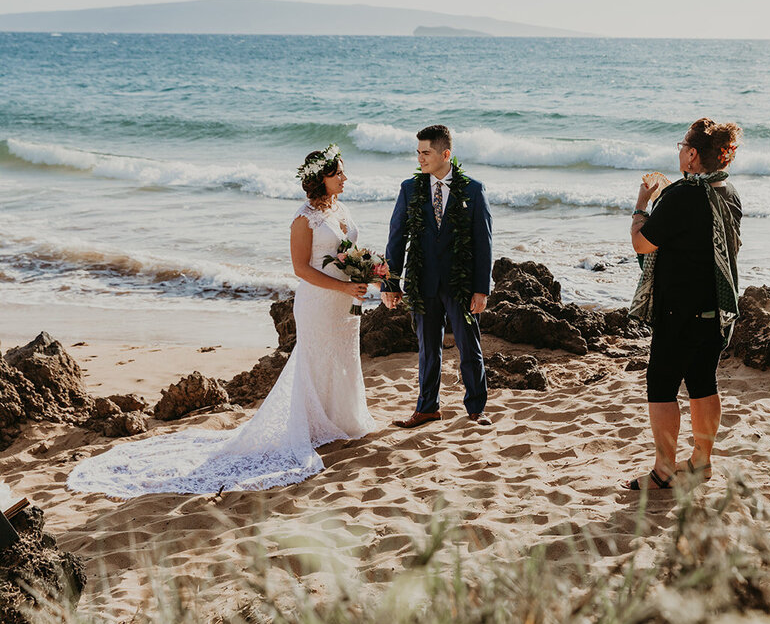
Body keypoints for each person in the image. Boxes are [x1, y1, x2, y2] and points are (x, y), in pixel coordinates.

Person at [67, 145, 380, 497]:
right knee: (315, 360)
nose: (345, 178)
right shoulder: (303, 218)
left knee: (341, 358)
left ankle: (341, 420)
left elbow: (351, 253)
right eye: (338, 173)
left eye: (343, 172)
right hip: (319, 302)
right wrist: (343, 284)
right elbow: (301, 269)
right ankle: (310, 427)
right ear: (320, 179)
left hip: (344, 302)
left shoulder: (342, 209)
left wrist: (367, 275)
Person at [626, 118, 744, 491]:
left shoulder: (683, 195)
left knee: (661, 385)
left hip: (678, 309)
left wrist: (643, 203)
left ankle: (663, 470)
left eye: (682, 146)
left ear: (692, 156)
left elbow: (643, 243)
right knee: (702, 383)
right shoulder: (728, 193)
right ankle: (701, 462)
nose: (679, 151)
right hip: (714, 307)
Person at [382, 125, 494, 428]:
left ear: (446, 154)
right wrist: (390, 283)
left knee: (470, 347)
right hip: (422, 282)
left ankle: (476, 409)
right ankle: (427, 407)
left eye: (426, 152)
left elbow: (484, 242)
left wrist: (481, 289)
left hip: (462, 284)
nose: (420, 158)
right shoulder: (409, 189)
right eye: (418, 152)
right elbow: (395, 238)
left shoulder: (472, 189)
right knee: (427, 350)